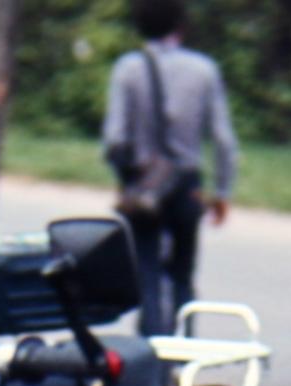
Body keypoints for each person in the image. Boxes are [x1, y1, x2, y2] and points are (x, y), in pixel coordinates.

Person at [102, 0, 240, 338]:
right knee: (183, 274)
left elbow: (114, 138)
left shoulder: (128, 69)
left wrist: (127, 179)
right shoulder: (203, 70)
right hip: (188, 184)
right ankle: (185, 350)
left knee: (147, 271)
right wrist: (222, 191)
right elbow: (224, 140)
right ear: (181, 24)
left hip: (143, 183)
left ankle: (152, 351)